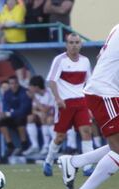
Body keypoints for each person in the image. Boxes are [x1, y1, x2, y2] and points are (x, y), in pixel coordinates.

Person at [57, 24, 119, 189]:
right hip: (105, 92)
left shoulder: (116, 27)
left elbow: (101, 55)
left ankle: (74, 163)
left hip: (106, 90)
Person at [43, 33, 93, 177]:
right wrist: (58, 98)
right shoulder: (60, 60)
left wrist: (90, 105)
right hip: (65, 103)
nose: (74, 45)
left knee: (86, 131)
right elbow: (52, 81)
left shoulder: (85, 61)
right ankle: (48, 161)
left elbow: (88, 83)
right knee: (60, 136)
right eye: (71, 42)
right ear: (66, 45)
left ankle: (87, 167)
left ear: (81, 44)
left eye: (77, 42)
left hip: (81, 102)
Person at [0, 76, 32, 158]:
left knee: (20, 120)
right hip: (12, 117)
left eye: (15, 83)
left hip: (24, 117)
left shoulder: (24, 92)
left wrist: (10, 113)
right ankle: (10, 145)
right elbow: (5, 108)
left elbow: (23, 110)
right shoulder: (7, 93)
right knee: (1, 121)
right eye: (11, 83)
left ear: (18, 83)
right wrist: (8, 113)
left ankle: (24, 144)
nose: (13, 85)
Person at [24, 75, 55, 156]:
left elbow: (46, 110)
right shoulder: (36, 94)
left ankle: (47, 145)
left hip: (54, 116)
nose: (29, 89)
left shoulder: (50, 93)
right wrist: (39, 113)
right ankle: (35, 146)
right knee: (30, 118)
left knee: (46, 118)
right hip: (43, 116)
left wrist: (34, 98)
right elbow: (33, 110)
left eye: (31, 87)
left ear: (36, 87)